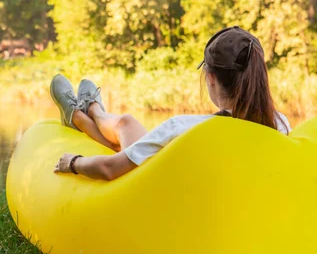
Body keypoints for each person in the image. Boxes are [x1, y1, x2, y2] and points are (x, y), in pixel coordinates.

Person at [51, 26, 291, 181]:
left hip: (156, 199)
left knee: (126, 127)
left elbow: (110, 170)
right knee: (127, 124)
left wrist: (73, 162)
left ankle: (83, 114)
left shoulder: (183, 128)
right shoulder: (281, 125)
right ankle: (88, 111)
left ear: (211, 79)